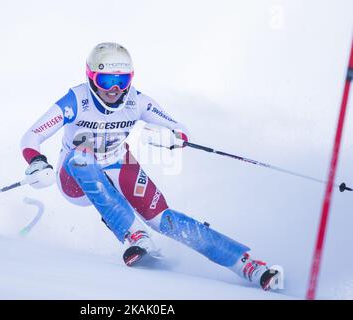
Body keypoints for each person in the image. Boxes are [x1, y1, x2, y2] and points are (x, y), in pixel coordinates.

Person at [20, 42, 281, 291]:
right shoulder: (76, 100)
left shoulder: (138, 102)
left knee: (163, 218)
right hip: (75, 178)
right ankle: (134, 234)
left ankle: (246, 264)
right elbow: (31, 136)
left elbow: (178, 128)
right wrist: (36, 162)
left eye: (122, 81)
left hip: (119, 164)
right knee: (82, 155)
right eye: (106, 81)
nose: (114, 90)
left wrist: (173, 137)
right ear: (91, 78)